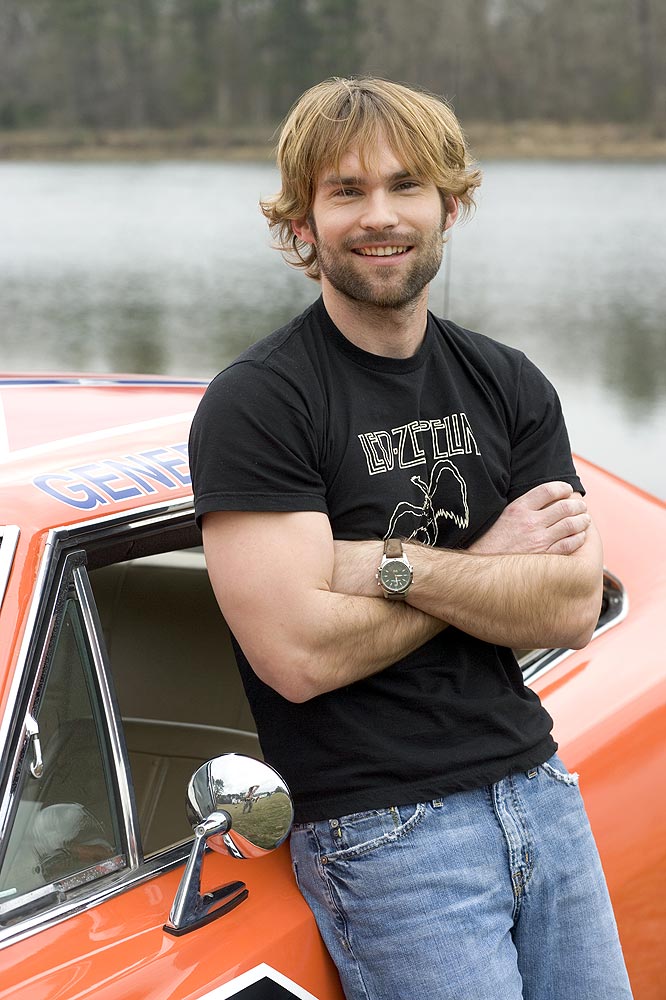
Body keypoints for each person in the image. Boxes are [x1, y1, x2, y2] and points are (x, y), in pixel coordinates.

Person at [189, 77, 632, 999]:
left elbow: (569, 607)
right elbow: (300, 656)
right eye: (346, 191)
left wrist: (384, 565)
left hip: (540, 788)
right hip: (385, 834)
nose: (379, 216)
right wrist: (488, 561)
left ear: (448, 207)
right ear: (302, 223)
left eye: (406, 186)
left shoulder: (507, 381)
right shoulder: (261, 403)